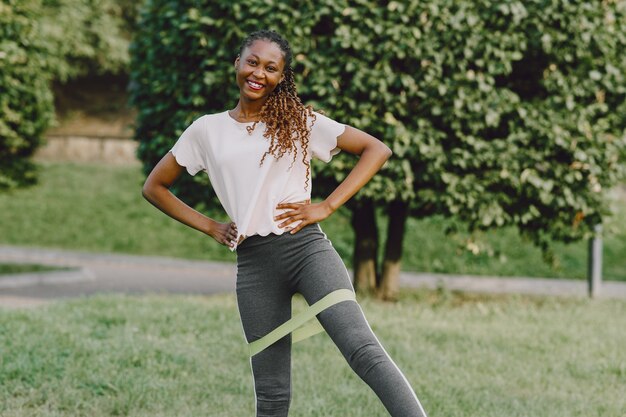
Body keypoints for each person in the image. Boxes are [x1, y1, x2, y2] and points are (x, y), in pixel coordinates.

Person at [142, 29, 427, 417]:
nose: (259, 73)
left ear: (281, 76)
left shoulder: (298, 121)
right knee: (272, 394)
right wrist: (211, 226)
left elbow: (375, 150)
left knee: (363, 351)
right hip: (255, 266)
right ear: (237, 65)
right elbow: (155, 187)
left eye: (271, 68)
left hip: (307, 251)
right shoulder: (206, 130)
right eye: (253, 62)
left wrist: (326, 206)